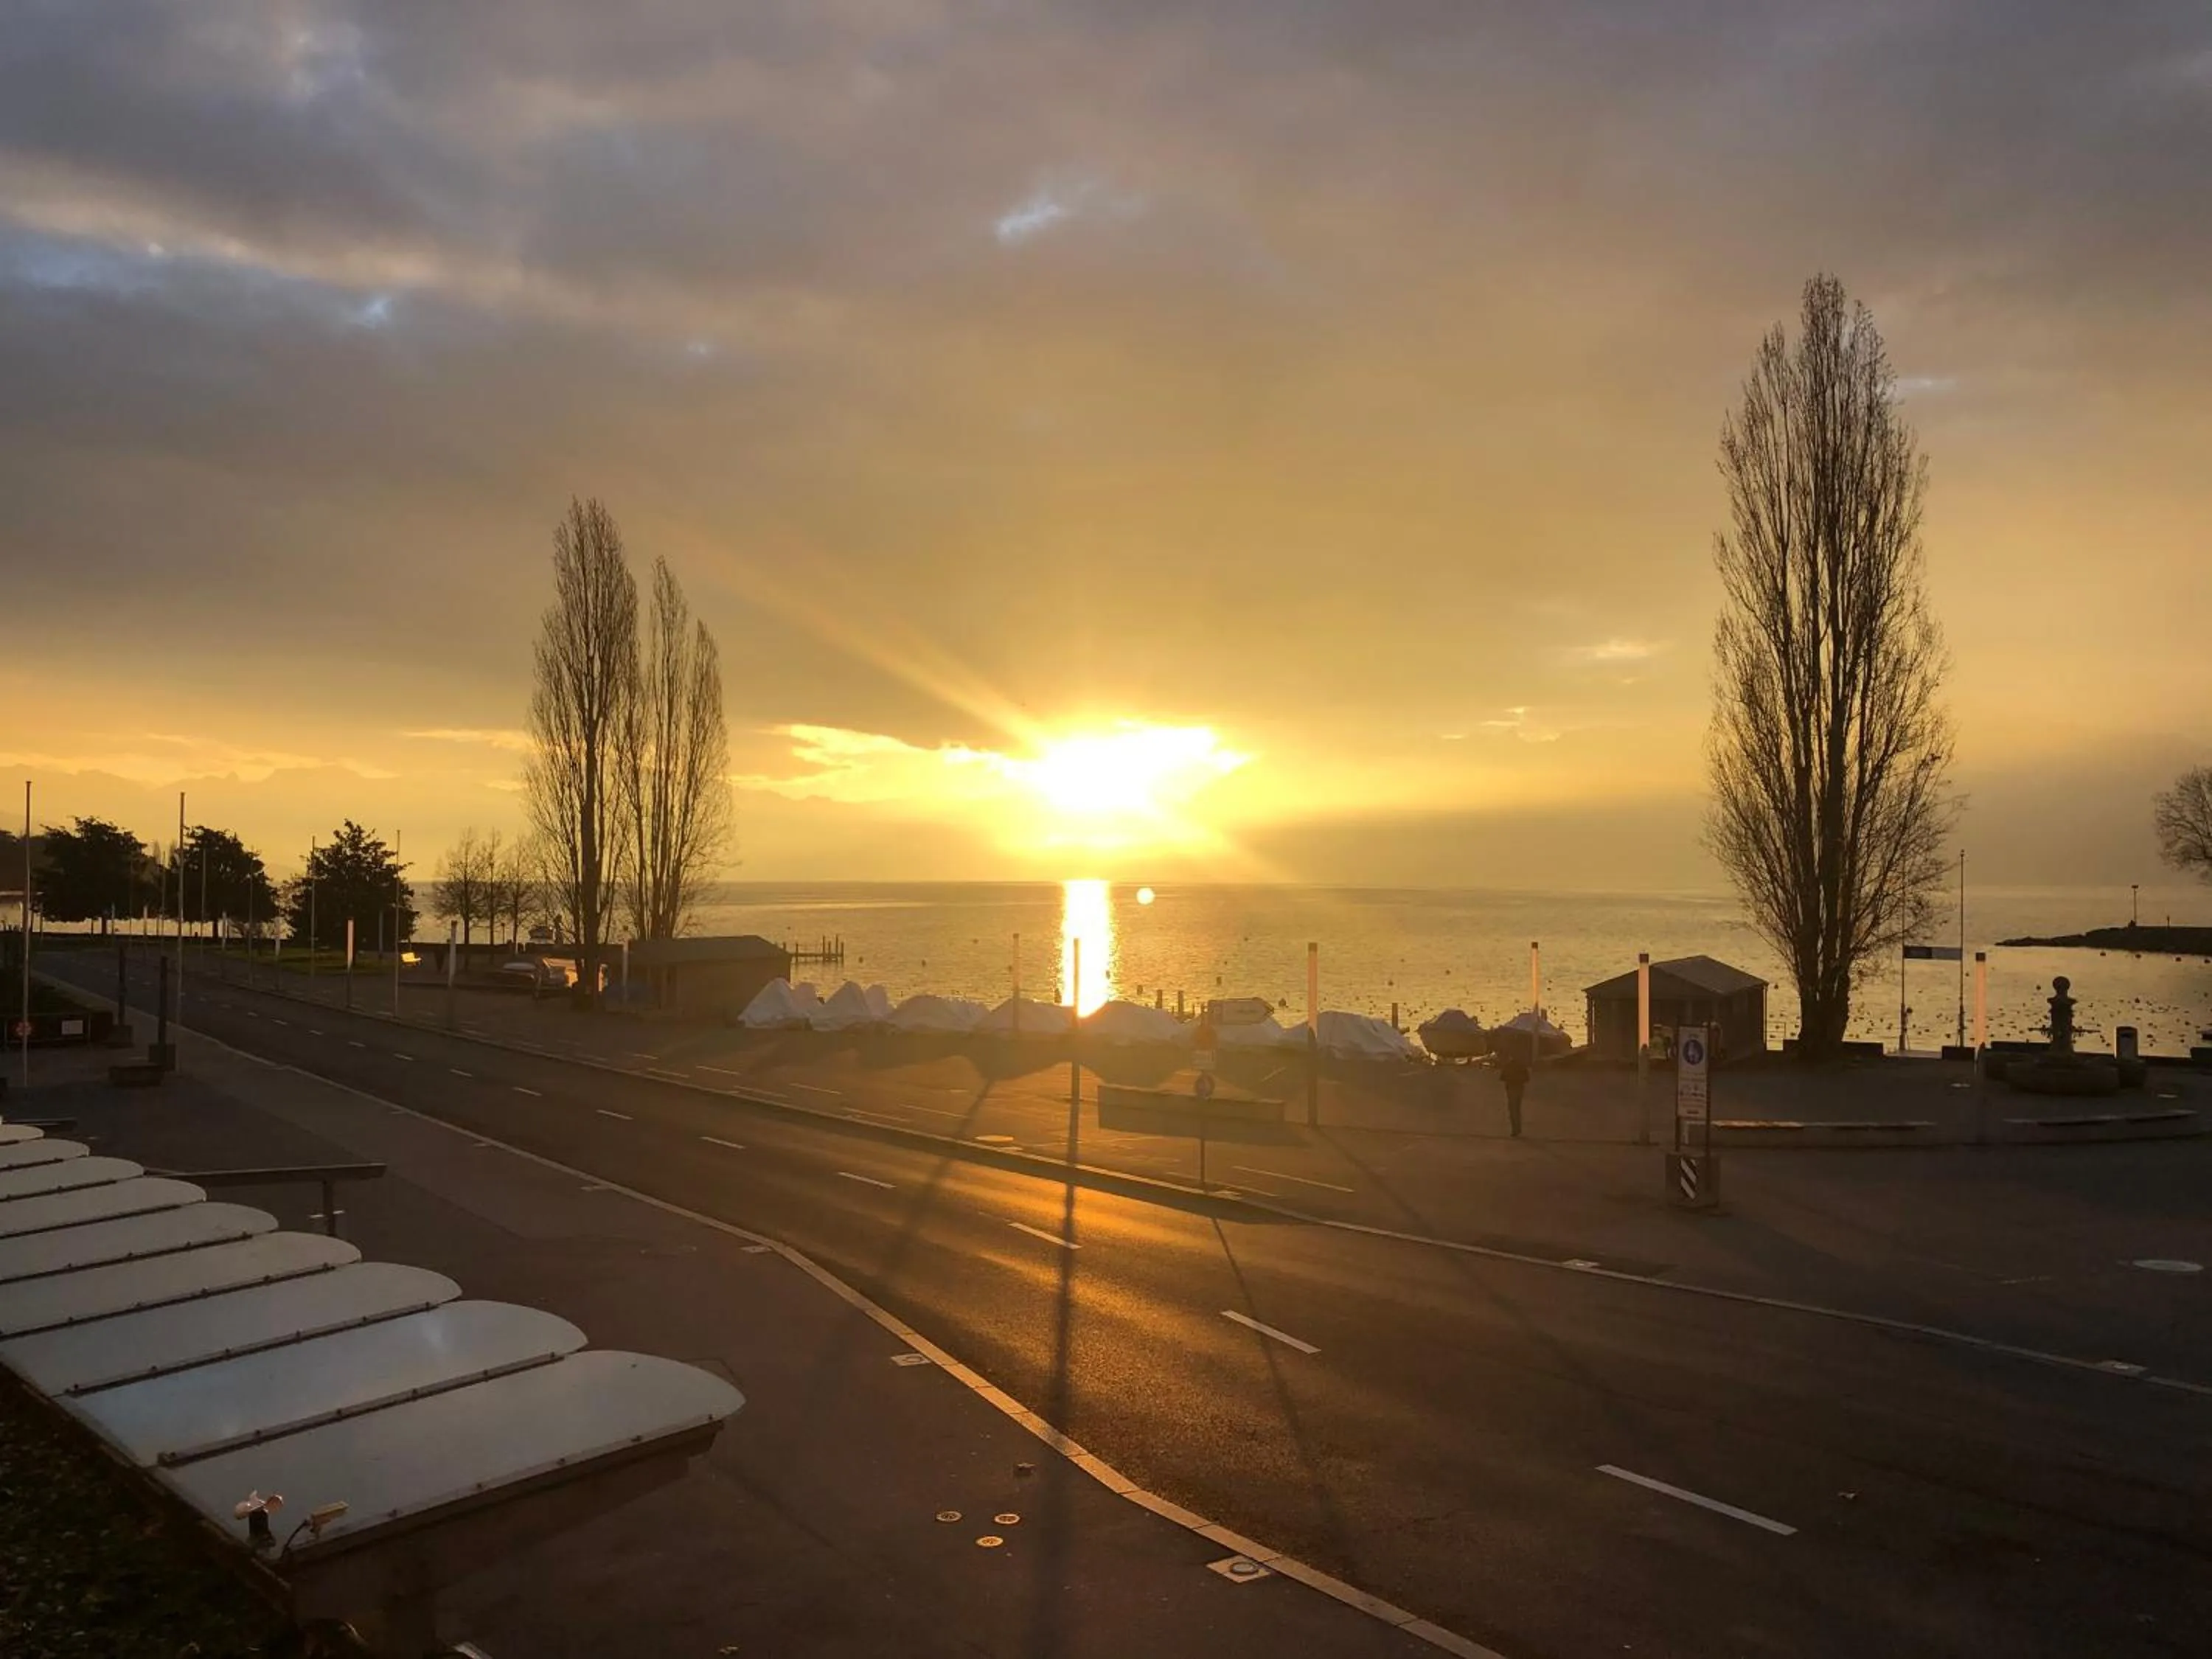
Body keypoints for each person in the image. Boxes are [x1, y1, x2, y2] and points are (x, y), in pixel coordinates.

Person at [1497, 1038, 1531, 1138]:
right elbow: (1527, 1078)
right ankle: (1517, 1128)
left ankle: (1515, 1129)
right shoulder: (1522, 1066)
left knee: (1512, 1109)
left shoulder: (1508, 1066)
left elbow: (1502, 1077)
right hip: (1519, 1088)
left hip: (1511, 1088)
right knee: (1517, 1108)